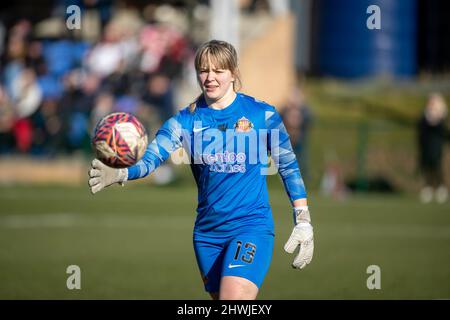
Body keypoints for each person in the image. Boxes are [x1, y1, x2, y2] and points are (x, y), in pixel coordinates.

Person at [88, 40, 314, 300]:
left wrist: (303, 219)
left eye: (218, 71)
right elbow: (152, 157)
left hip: (250, 226)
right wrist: (121, 173)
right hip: (207, 234)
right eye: (203, 70)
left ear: (233, 73)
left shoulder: (262, 115)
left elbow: (288, 166)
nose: (210, 78)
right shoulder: (184, 121)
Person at [417, 93, 449, 204]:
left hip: (436, 146)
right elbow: (421, 127)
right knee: (426, 166)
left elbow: (441, 130)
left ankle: (441, 188)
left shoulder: (440, 117)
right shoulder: (424, 116)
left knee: (436, 165)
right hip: (426, 146)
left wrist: (437, 117)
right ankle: (428, 188)